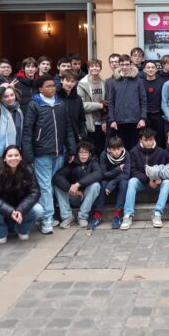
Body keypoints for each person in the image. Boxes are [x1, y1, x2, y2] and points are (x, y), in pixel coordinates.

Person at [21, 74, 77, 234]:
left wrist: (71, 148)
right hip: (42, 153)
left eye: (53, 85)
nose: (52, 88)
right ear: (40, 89)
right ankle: (46, 220)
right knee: (45, 187)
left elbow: (67, 128)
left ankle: (58, 215)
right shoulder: (34, 104)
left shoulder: (60, 103)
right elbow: (28, 131)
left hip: (59, 152)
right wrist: (28, 155)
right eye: (48, 86)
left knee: (54, 184)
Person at [0, 145, 44, 244]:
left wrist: (20, 209)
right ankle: (1, 232)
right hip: (2, 209)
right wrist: (10, 210)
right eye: (10, 156)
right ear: (4, 158)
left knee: (38, 209)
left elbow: (35, 192)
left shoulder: (28, 171)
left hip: (21, 207)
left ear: (20, 157)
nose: (13, 158)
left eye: (16, 155)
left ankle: (22, 229)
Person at [121, 127, 169, 230]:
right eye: (146, 140)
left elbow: (164, 168)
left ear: (154, 140)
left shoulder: (160, 151)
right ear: (141, 140)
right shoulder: (134, 152)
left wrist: (158, 178)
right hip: (142, 183)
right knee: (132, 181)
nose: (148, 143)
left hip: (156, 183)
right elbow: (133, 171)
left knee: (167, 182)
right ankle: (127, 215)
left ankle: (157, 213)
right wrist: (148, 180)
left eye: (151, 140)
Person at [52, 141, 102, 228]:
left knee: (96, 185)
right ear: (77, 154)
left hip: (87, 198)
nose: (83, 155)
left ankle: (82, 217)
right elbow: (57, 177)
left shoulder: (93, 162)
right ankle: (67, 216)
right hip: (74, 197)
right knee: (57, 185)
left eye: (86, 152)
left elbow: (98, 174)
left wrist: (78, 184)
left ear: (90, 154)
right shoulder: (72, 164)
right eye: (81, 152)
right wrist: (69, 188)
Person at [106, 55, 147, 151]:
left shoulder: (138, 81)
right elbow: (111, 103)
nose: (124, 67)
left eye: (127, 64)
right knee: (121, 147)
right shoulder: (114, 82)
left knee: (135, 147)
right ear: (119, 65)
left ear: (131, 65)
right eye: (122, 64)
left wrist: (143, 118)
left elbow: (143, 101)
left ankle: (133, 166)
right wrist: (112, 120)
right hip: (119, 121)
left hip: (135, 121)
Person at [99, 136, 130, 229]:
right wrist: (118, 169)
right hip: (107, 179)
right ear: (109, 149)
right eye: (114, 149)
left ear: (122, 148)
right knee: (103, 184)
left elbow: (127, 174)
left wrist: (112, 183)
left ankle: (117, 214)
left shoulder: (126, 154)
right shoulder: (104, 155)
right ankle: (97, 214)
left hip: (119, 179)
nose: (117, 151)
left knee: (124, 183)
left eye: (119, 149)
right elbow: (104, 174)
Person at [78, 59, 106, 155]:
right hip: (88, 121)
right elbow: (81, 105)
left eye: (97, 66)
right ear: (88, 68)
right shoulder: (82, 84)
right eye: (92, 66)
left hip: (101, 122)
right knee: (90, 149)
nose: (95, 68)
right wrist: (99, 105)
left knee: (101, 148)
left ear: (100, 68)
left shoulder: (104, 83)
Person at [59, 70, 87, 144]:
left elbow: (82, 119)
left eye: (72, 81)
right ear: (62, 80)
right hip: (58, 136)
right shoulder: (55, 97)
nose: (69, 84)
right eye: (67, 81)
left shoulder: (78, 99)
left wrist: (82, 134)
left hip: (74, 136)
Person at [142, 60, 166, 147]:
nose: (150, 69)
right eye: (148, 67)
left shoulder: (162, 83)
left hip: (158, 115)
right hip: (145, 116)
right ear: (144, 70)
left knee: (159, 139)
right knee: (145, 138)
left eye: (153, 67)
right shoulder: (141, 83)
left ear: (156, 70)